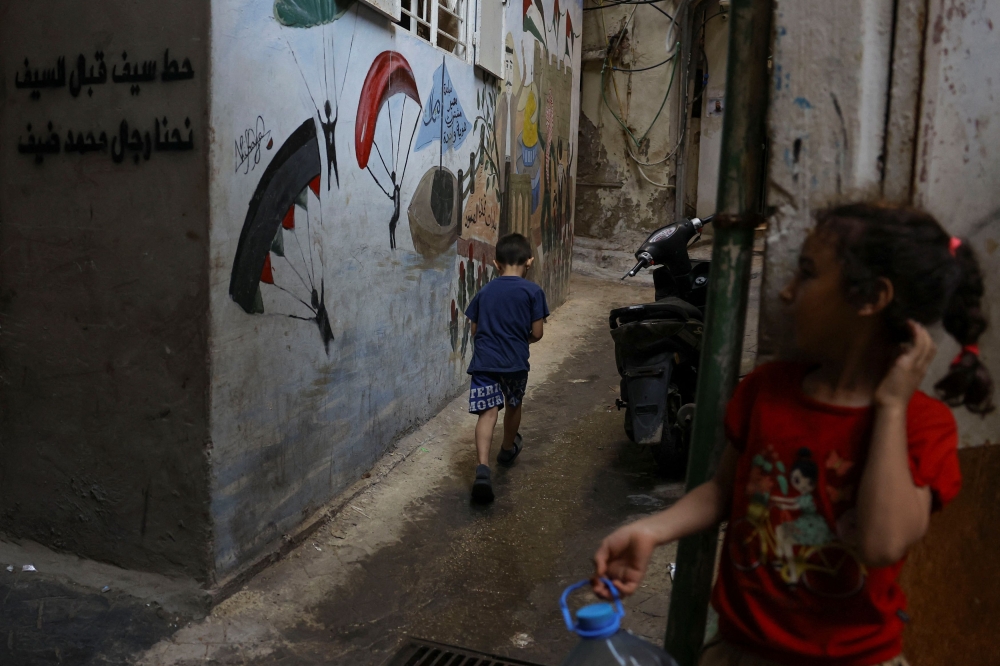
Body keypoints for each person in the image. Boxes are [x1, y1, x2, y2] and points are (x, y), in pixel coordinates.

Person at [591, 203, 993, 666]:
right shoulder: (768, 390)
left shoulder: (921, 425)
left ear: (870, 299)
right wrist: (649, 529)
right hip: (740, 651)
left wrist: (890, 406)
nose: (785, 291)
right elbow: (724, 490)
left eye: (806, 273)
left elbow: (881, 544)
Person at [465, 233, 549, 503]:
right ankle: (506, 449)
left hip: (485, 361)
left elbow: (475, 329)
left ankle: (482, 468)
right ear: (530, 262)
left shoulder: (485, 291)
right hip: (514, 363)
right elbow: (537, 333)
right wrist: (517, 339)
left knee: (487, 414)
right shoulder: (533, 292)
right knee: (513, 404)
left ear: (496, 264)